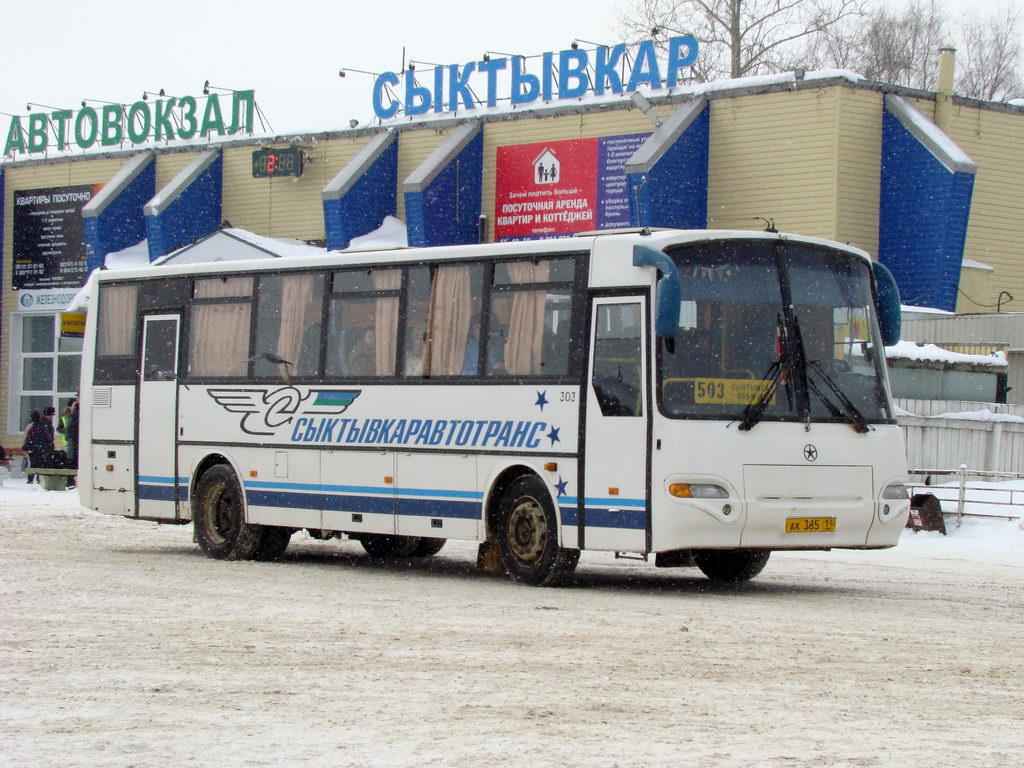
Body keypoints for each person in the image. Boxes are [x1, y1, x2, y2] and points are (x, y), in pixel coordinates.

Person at [22, 408, 56, 483]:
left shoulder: (35, 424)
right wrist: (50, 446)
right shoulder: (45, 424)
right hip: (42, 448)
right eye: (51, 415)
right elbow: (49, 437)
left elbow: (28, 437)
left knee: (34, 464)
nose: (51, 417)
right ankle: (39, 479)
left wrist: (26, 447)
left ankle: (31, 479)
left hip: (34, 448)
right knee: (41, 464)